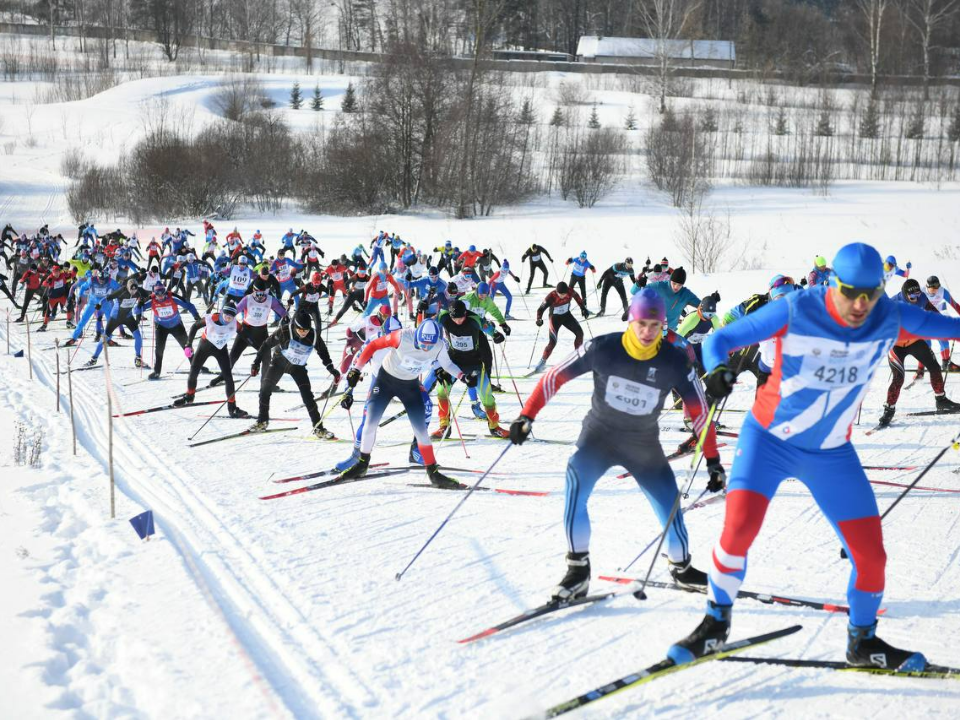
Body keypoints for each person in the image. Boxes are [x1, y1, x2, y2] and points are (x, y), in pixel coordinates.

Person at [667, 242, 960, 672]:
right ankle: (714, 625)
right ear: (832, 283)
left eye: (871, 293)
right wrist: (715, 371)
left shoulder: (889, 317)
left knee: (871, 555)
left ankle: (862, 641)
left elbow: (952, 328)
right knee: (738, 531)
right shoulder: (798, 308)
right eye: (849, 291)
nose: (860, 304)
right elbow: (721, 338)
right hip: (768, 442)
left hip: (830, 453)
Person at [509, 288, 724, 601]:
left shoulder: (674, 359)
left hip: (643, 445)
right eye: (642, 324)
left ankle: (681, 568)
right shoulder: (603, 347)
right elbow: (554, 377)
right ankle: (577, 571)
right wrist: (526, 416)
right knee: (575, 488)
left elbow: (700, 411)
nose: (649, 332)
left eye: (656, 326)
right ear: (630, 321)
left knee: (670, 506)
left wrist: (713, 459)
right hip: (599, 438)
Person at [339, 319, 475, 488]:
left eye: (429, 346)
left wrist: (463, 377)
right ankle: (362, 463)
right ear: (417, 337)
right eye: (423, 344)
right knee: (370, 423)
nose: (426, 348)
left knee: (421, 431)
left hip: (410, 387)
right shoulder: (402, 337)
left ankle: (432, 472)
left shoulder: (439, 345)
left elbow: (447, 364)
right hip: (385, 382)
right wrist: (356, 369)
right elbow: (373, 346)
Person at [878, 278, 960, 427]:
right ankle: (889, 410)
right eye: (912, 297)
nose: (916, 300)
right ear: (905, 294)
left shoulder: (921, 297)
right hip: (896, 345)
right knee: (899, 378)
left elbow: (934, 313)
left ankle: (941, 400)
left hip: (914, 340)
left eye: (918, 296)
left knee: (934, 367)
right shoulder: (894, 303)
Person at [248, 312, 340, 438]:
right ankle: (262, 421)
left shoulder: (313, 336)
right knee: (265, 390)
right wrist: (256, 362)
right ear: (294, 326)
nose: (303, 332)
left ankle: (319, 428)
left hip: (297, 368)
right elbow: (266, 345)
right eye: (300, 329)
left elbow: (323, 352)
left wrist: (331, 368)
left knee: (308, 397)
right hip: (278, 364)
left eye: (306, 330)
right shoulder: (284, 331)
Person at [431, 300, 509, 439]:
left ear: (465, 314)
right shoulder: (443, 317)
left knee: (486, 395)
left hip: (475, 363)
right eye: (454, 318)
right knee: (442, 391)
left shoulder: (474, 319)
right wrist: (421, 312)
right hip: (453, 362)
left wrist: (496, 334)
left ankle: (494, 426)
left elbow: (487, 328)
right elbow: (426, 325)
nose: (458, 321)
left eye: (461, 317)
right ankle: (444, 426)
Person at [176, 301, 249, 418]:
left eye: (231, 317)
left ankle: (232, 407)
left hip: (221, 349)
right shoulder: (211, 318)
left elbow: (245, 336)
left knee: (228, 377)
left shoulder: (235, 324)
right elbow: (195, 327)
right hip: (204, 346)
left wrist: (259, 349)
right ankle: (189, 396)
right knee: (194, 371)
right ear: (221, 313)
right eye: (226, 316)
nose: (228, 319)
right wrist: (188, 344)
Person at [532, 281, 589, 374]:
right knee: (552, 342)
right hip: (554, 319)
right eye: (560, 294)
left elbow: (577, 297)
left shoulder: (570, 291)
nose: (562, 296)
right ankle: (542, 361)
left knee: (580, 334)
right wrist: (539, 319)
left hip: (567, 316)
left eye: (564, 294)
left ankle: (577, 357)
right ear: (556, 291)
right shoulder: (551, 296)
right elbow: (540, 309)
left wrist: (583, 308)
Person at [147, 282, 200, 379]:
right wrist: (139, 304)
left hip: (176, 326)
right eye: (157, 294)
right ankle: (156, 372)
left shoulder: (172, 299)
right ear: (154, 293)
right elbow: (137, 310)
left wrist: (196, 315)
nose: (160, 296)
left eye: (162, 293)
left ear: (165, 292)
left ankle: (196, 365)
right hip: (161, 327)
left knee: (187, 346)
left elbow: (189, 306)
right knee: (159, 349)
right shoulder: (152, 301)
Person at [636, 267, 700, 331]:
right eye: (674, 283)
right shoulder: (659, 286)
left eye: (679, 285)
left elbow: (703, 305)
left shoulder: (686, 294)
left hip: (671, 331)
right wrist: (638, 285)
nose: (676, 287)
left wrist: (709, 301)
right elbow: (634, 292)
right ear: (670, 280)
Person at [922, 275, 960, 373]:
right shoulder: (921, 292)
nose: (935, 290)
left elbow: (955, 305)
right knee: (926, 344)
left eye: (937, 287)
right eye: (933, 288)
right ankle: (922, 366)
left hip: (938, 320)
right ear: (927, 286)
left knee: (944, 340)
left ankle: (946, 363)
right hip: (924, 321)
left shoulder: (942, 291)